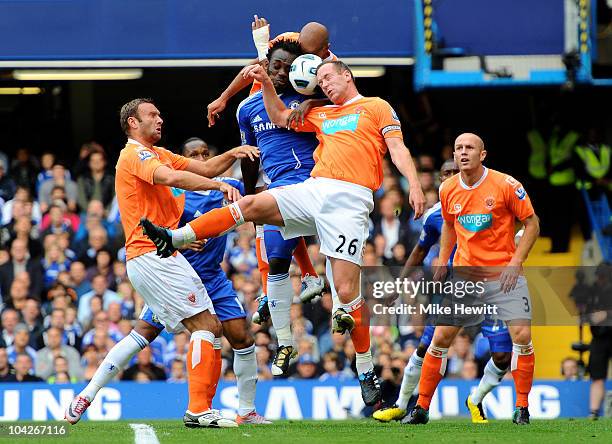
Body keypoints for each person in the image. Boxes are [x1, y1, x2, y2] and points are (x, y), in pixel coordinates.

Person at [142, 60, 426, 407]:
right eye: (319, 80)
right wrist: (263, 80)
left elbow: (397, 148)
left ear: (347, 75)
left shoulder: (376, 107)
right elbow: (278, 115)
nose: (324, 85)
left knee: (349, 293)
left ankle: (365, 367)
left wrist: (413, 183)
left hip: (349, 201)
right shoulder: (319, 114)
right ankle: (176, 238)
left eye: (328, 77)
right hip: (313, 188)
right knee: (251, 205)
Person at [64, 99, 258, 429]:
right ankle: (199, 410)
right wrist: (219, 184)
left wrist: (235, 154)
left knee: (152, 332)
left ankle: (88, 393)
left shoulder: (159, 153)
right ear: (132, 124)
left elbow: (207, 169)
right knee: (207, 328)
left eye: (159, 113)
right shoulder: (135, 154)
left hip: (160, 258)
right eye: (151, 115)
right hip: (154, 256)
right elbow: (172, 178)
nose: (160, 118)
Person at [403, 133, 540, 426]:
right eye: (458, 148)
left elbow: (532, 223)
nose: (463, 153)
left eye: (469, 148)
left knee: (523, 339)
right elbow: (450, 225)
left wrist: (516, 262)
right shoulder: (447, 188)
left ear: (483, 154)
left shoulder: (506, 185)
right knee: (440, 339)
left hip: (504, 275)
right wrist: (443, 258)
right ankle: (421, 408)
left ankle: (522, 408)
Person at [374, 160, 514, 424]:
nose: (450, 177)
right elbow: (420, 250)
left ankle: (475, 400)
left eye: (455, 173)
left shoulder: (487, 205)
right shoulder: (435, 215)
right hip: (455, 290)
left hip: (489, 289)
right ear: (440, 180)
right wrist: (399, 283)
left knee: (502, 355)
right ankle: (405, 405)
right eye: (446, 173)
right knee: (426, 347)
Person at [237, 39, 325, 376]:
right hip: (278, 190)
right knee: (275, 262)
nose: (282, 73)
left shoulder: (304, 98)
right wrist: (249, 194)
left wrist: (315, 98)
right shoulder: (247, 109)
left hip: (314, 183)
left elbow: (343, 93)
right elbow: (249, 155)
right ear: (265, 66)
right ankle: (285, 342)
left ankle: (327, 292)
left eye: (289, 69)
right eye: (276, 66)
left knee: (340, 259)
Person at [207, 16, 337, 127]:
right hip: (261, 102)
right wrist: (223, 98)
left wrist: (310, 103)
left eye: (309, 54)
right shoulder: (289, 40)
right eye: (301, 52)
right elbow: (256, 67)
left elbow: (341, 100)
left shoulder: (334, 67)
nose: (303, 58)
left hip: (295, 110)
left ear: (325, 50)